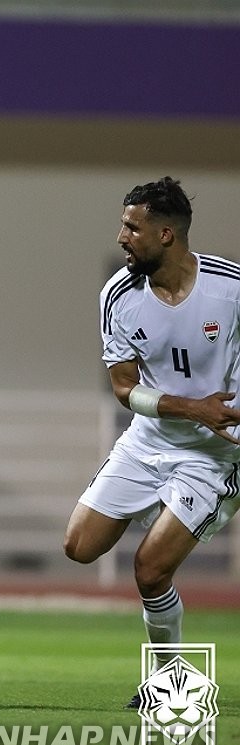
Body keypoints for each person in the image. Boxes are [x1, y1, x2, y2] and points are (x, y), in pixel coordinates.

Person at [63, 177, 240, 707]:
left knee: (150, 567)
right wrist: (191, 408)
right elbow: (123, 387)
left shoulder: (230, 288)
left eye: (132, 227)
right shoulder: (118, 295)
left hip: (216, 453)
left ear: (166, 234)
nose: (122, 236)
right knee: (79, 547)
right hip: (148, 441)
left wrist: (218, 418)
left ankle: (170, 684)